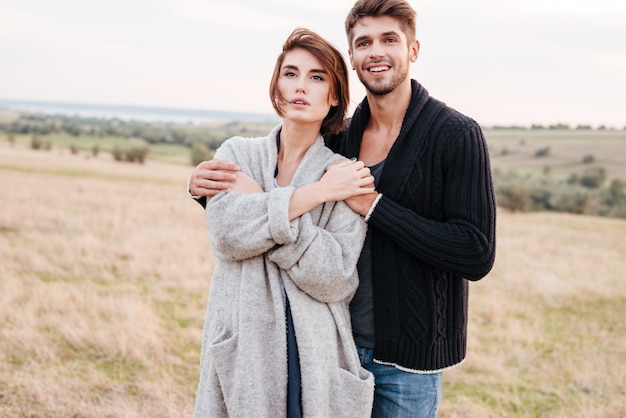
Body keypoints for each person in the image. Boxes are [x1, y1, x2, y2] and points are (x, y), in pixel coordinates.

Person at [190, 0, 497, 416]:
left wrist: (373, 206)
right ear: (351, 57)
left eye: (390, 39)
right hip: (331, 342)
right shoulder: (342, 139)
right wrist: (205, 190)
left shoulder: (455, 134)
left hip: (409, 357)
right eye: (363, 42)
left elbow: (475, 253)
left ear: (414, 49)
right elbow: (281, 190)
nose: (376, 52)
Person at [191, 27, 376, 417]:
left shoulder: (345, 174)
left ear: (335, 95)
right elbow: (226, 236)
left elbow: (336, 276)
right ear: (276, 84)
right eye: (291, 73)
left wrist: (261, 208)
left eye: (316, 77)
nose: (301, 87)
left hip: (312, 351)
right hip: (244, 348)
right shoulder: (237, 153)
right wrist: (315, 196)